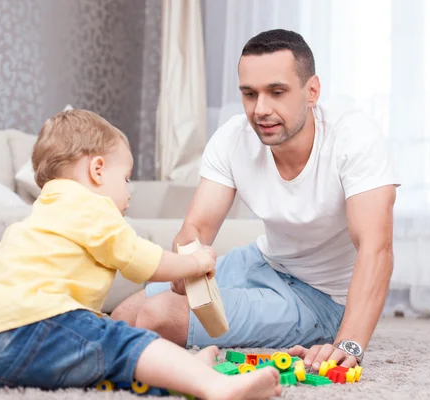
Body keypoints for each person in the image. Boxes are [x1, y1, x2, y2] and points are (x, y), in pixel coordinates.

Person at [113, 28, 399, 372]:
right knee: (123, 316)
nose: (260, 109)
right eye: (249, 94)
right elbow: (197, 228)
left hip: (322, 297)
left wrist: (349, 343)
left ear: (312, 92)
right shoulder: (233, 138)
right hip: (264, 261)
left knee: (155, 316)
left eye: (276, 92)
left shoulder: (354, 137)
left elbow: (376, 248)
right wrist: (184, 264)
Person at [0, 110, 281, 400]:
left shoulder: (39, 216)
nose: (128, 192)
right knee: (120, 341)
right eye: (125, 178)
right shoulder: (90, 205)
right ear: (98, 170)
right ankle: (213, 385)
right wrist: (194, 262)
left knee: (99, 353)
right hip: (29, 328)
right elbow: (142, 260)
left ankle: (181, 371)